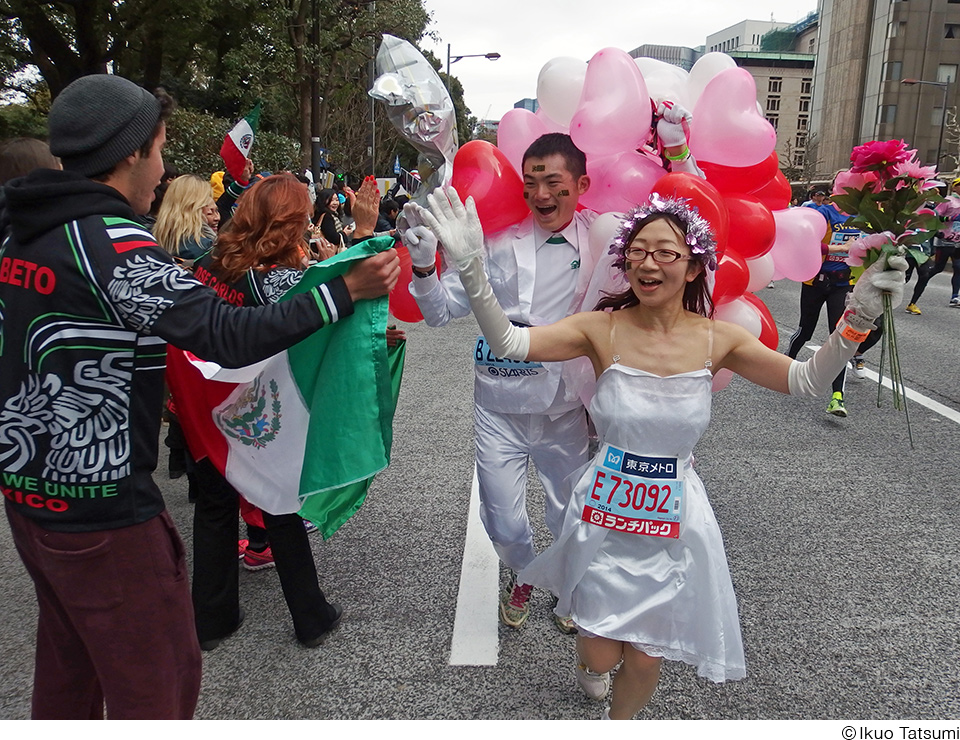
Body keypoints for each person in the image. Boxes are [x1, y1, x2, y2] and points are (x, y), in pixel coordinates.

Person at [418, 186, 905, 719]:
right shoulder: (600, 328)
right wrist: (471, 269)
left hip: (672, 519)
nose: (648, 263)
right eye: (637, 252)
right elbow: (512, 344)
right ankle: (589, 668)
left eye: (665, 253)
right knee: (599, 651)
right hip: (605, 512)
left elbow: (807, 381)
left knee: (647, 657)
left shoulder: (721, 339)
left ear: (694, 267)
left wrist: (857, 317)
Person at [0, 74, 399, 720]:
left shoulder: (22, 234)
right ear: (129, 152)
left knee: (68, 672)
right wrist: (342, 292)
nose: (162, 170)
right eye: (157, 149)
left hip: (28, 500)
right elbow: (225, 334)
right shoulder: (109, 243)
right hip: (103, 512)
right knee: (157, 682)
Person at [406, 114, 702, 633]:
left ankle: (568, 583)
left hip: (566, 407)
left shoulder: (608, 241)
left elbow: (688, 226)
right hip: (498, 406)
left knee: (571, 511)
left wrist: (674, 147)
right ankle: (523, 573)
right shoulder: (494, 241)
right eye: (530, 183)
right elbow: (437, 313)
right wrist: (427, 267)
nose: (540, 195)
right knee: (502, 519)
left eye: (553, 184)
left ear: (582, 186)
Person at [186, 173, 384, 650]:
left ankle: (211, 619)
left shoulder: (206, 262)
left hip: (203, 406)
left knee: (213, 509)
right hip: (254, 410)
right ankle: (310, 615)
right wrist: (362, 232)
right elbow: (350, 290)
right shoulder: (280, 280)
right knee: (279, 501)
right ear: (293, 224)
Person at [904, 177, 960, 313]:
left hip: (926, 249)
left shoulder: (931, 209)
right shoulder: (908, 208)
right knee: (905, 276)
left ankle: (912, 303)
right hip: (910, 247)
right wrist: (949, 220)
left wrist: (937, 233)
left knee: (925, 274)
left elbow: (932, 225)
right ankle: (884, 296)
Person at [152, 174, 219, 263]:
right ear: (194, 208)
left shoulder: (148, 236)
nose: (217, 217)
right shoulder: (203, 247)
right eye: (205, 205)